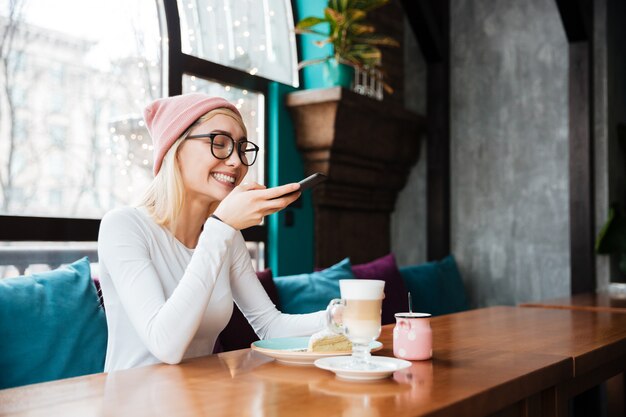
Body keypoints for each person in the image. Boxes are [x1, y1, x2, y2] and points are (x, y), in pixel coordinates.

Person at [97, 93, 325, 372]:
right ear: (175, 147)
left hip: (202, 400)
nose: (236, 162)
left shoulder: (225, 235)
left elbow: (271, 327)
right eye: (219, 143)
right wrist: (222, 226)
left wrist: (341, 314)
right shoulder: (123, 227)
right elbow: (165, 344)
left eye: (242, 149)